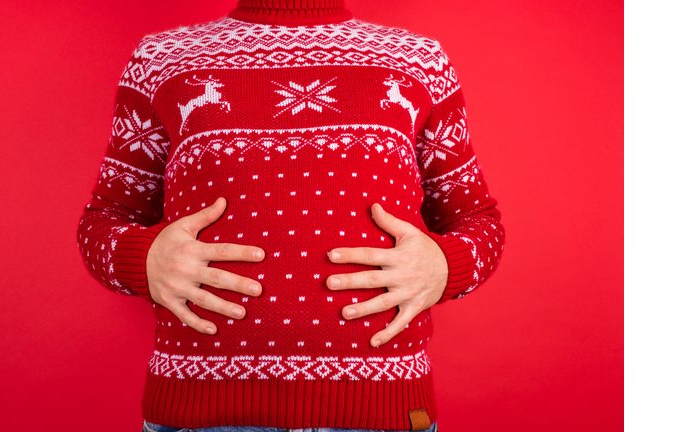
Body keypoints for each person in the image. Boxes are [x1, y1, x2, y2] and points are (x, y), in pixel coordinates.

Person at [76, 1, 505, 431]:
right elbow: (105, 218)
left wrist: (444, 266)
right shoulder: (160, 59)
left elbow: (478, 219)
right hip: (202, 410)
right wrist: (144, 260)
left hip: (381, 409)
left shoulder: (420, 61)